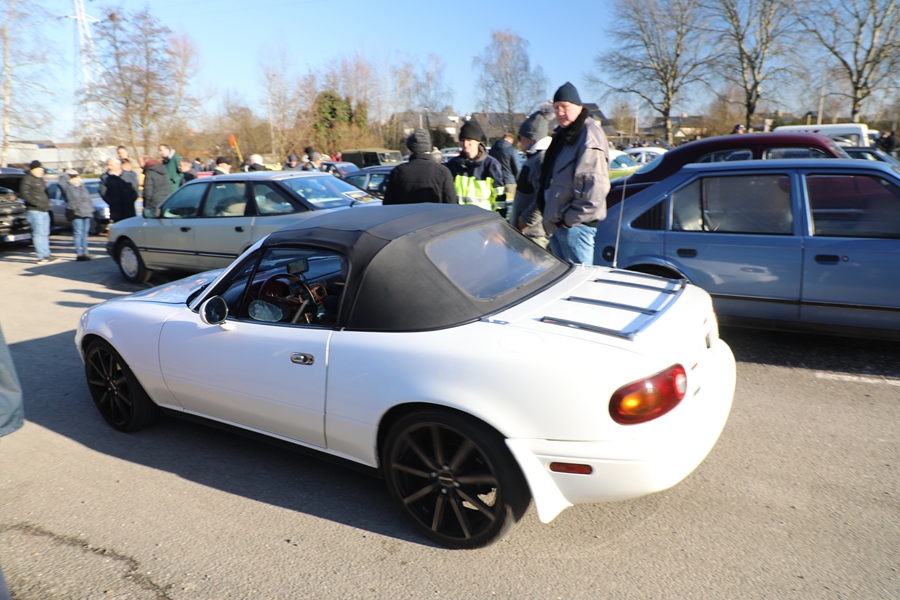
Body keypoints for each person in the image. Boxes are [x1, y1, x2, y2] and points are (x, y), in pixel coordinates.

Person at [537, 82, 610, 264]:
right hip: (560, 224)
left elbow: (595, 188)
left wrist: (569, 220)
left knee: (578, 279)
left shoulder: (588, 136)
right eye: (556, 108)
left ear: (578, 106)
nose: (560, 112)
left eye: (564, 106)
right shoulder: (565, 134)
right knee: (565, 278)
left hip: (575, 227)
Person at [511, 109, 552, 248]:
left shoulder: (540, 160)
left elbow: (543, 198)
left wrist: (524, 221)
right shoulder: (535, 158)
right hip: (529, 235)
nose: (519, 142)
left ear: (530, 137)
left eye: (520, 137)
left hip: (534, 236)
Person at [383, 129, 457, 205]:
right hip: (435, 212)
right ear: (428, 148)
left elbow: (388, 204)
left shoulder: (398, 172)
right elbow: (451, 202)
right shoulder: (442, 171)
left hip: (405, 212)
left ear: (410, 149)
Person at [446, 119, 504, 211]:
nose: (465, 144)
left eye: (469, 140)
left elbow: (499, 197)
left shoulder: (491, 165)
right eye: (463, 140)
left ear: (478, 141)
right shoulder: (453, 164)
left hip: (483, 218)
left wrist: (499, 217)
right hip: (459, 216)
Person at [20, 160, 54, 263]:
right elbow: (25, 195)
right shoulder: (27, 179)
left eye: (42, 170)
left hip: (44, 210)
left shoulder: (40, 179)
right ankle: (41, 256)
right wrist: (37, 204)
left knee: (45, 233)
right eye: (39, 169)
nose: (41, 171)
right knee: (38, 233)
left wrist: (48, 203)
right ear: (33, 169)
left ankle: (47, 254)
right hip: (35, 211)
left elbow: (45, 194)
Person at [58, 170, 95, 260]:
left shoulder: (81, 186)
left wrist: (91, 210)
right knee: (78, 233)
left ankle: (85, 252)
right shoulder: (67, 187)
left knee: (85, 234)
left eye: (76, 176)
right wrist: (67, 174)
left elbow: (88, 199)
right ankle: (79, 253)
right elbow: (61, 183)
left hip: (86, 211)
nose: (75, 178)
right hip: (76, 212)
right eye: (72, 176)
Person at [488, 132, 520, 216]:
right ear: (511, 140)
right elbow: (516, 167)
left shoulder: (493, 149)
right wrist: (519, 182)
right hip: (510, 182)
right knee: (511, 210)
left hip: (495, 184)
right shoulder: (511, 149)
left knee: (498, 208)